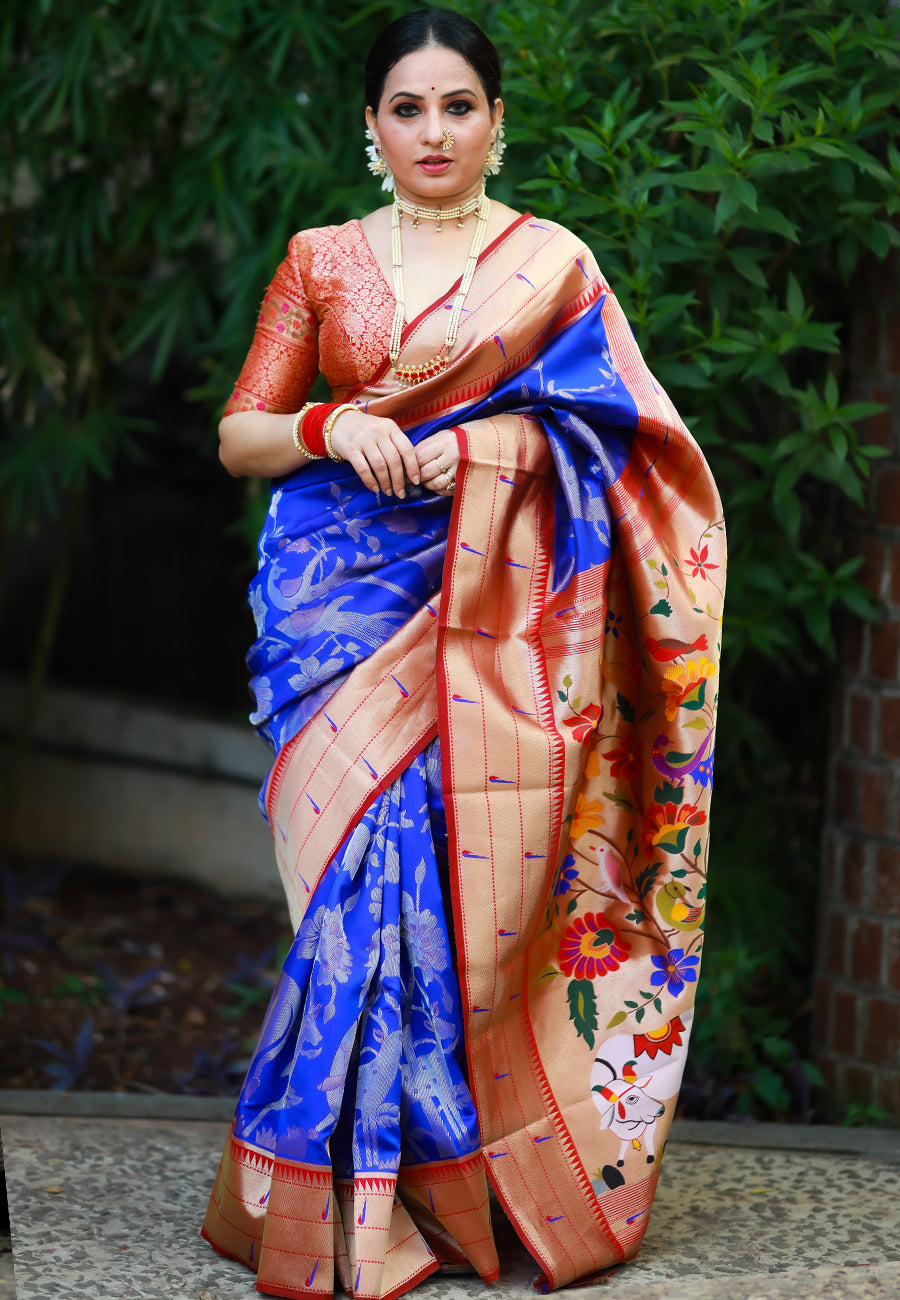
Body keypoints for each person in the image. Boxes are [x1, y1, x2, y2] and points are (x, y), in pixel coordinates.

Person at [201, 10, 725, 1299]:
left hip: (492, 609)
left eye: (457, 106)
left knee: (439, 891)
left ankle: (436, 1192)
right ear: (371, 127)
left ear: (497, 120)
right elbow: (241, 434)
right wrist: (331, 423)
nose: (432, 131)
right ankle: (340, 1205)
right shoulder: (320, 258)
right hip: (336, 609)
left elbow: (636, 446)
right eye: (405, 107)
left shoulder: (550, 265)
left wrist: (493, 451)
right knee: (348, 899)